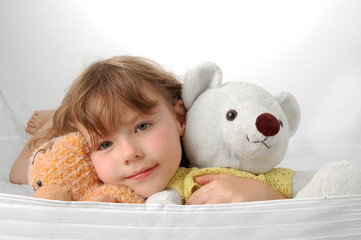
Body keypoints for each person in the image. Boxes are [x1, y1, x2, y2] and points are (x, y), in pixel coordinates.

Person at [9, 55, 285, 204]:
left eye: (142, 126)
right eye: (105, 144)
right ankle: (58, 118)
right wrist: (57, 128)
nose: (129, 154)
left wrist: (263, 194)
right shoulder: (90, 170)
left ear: (179, 118)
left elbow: (287, 187)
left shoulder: (209, 153)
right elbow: (20, 172)